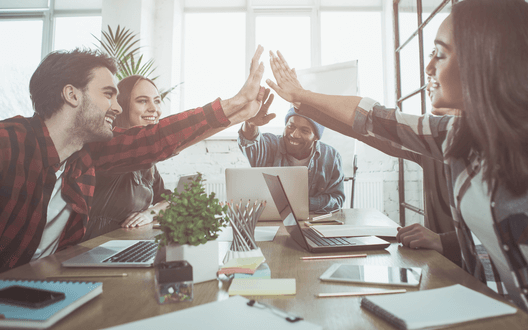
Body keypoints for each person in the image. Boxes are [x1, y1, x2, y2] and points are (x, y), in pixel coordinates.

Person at [266, 0, 528, 330]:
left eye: (440, 55)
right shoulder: (457, 136)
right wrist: (300, 97)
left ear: (487, 59)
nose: (428, 68)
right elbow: (375, 120)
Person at [0, 46, 266, 272]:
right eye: (107, 94)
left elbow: (157, 140)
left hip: (49, 280)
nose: (116, 108)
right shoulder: (9, 144)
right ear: (72, 95)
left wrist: (239, 111)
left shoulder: (87, 152)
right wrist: (237, 101)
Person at [82, 75, 171, 241]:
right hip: (96, 247)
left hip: (127, 243)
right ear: (123, 105)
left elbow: (170, 200)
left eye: (157, 101)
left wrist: (150, 213)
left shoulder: (147, 161)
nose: (154, 109)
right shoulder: (108, 146)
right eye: (143, 101)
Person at [238, 89, 345, 213]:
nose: (294, 134)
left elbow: (337, 200)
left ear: (316, 137)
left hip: (313, 222)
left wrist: (301, 203)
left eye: (304, 131)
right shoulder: (270, 145)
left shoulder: (332, 157)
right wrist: (250, 124)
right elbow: (250, 142)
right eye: (290, 126)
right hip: (271, 221)